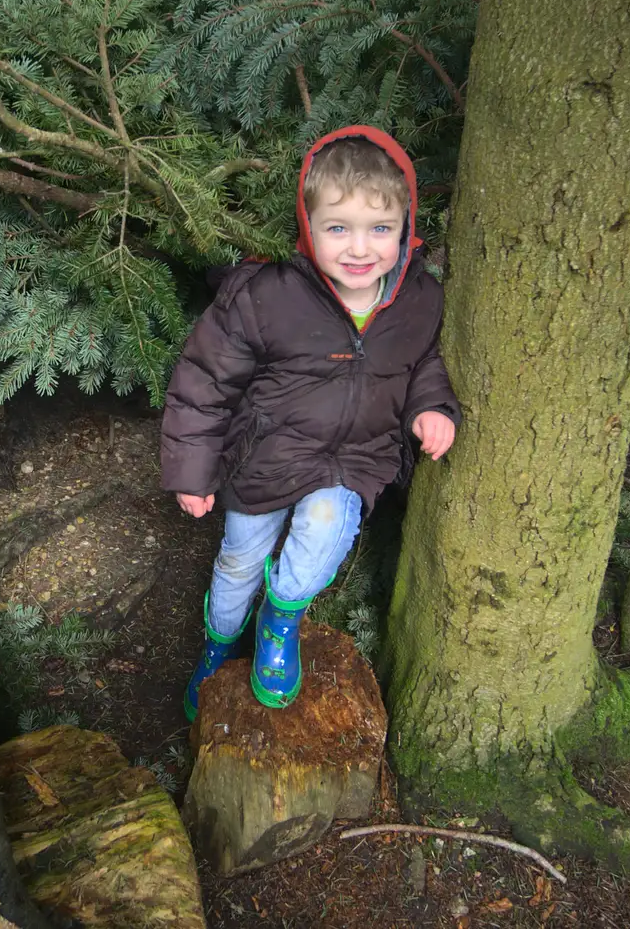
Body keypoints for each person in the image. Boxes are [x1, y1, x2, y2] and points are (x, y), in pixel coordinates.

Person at [161, 126, 461, 720]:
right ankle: (217, 647)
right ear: (309, 226)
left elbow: (422, 358)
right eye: (337, 228)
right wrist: (193, 472)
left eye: (380, 229)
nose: (359, 248)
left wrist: (433, 407)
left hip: (353, 459)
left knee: (327, 523)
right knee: (239, 562)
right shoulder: (268, 293)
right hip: (265, 458)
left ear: (405, 225)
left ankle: (281, 619)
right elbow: (204, 380)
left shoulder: (418, 297)